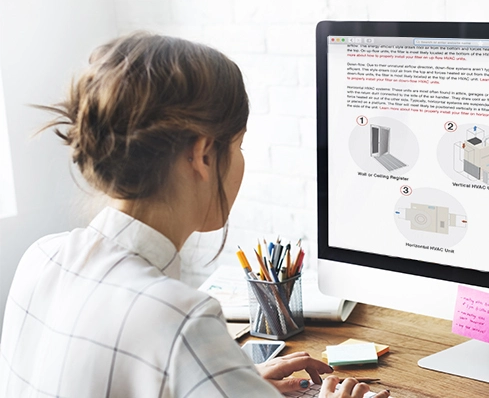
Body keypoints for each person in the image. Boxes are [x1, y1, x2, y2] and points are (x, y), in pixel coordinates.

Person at [0, 32, 390, 398]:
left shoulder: (40, 257)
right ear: (203, 155)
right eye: (238, 146)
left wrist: (225, 379)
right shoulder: (179, 319)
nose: (239, 162)